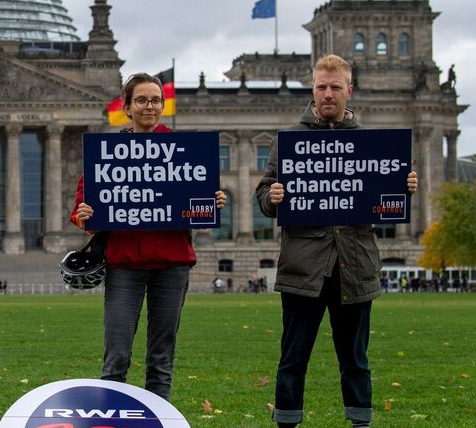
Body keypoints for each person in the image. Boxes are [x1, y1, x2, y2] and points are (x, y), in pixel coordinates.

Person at [255, 54, 419, 428]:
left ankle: (360, 422)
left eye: (334, 87)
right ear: (313, 90)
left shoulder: (372, 143)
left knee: (355, 358)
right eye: (320, 87)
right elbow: (263, 195)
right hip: (303, 266)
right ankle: (286, 422)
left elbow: (386, 199)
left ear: (349, 90)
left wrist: (404, 187)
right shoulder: (289, 140)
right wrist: (272, 197)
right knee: (293, 357)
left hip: (355, 264)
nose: (327, 94)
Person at [72, 72, 227, 401]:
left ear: (163, 105)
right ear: (127, 107)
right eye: (141, 100)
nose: (149, 106)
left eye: (156, 100)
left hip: (172, 264)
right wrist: (83, 214)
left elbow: (196, 200)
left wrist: (212, 201)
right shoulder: (108, 152)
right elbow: (84, 203)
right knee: (116, 355)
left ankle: (158, 418)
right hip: (124, 265)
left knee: (161, 357)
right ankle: (111, 419)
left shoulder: (183, 149)